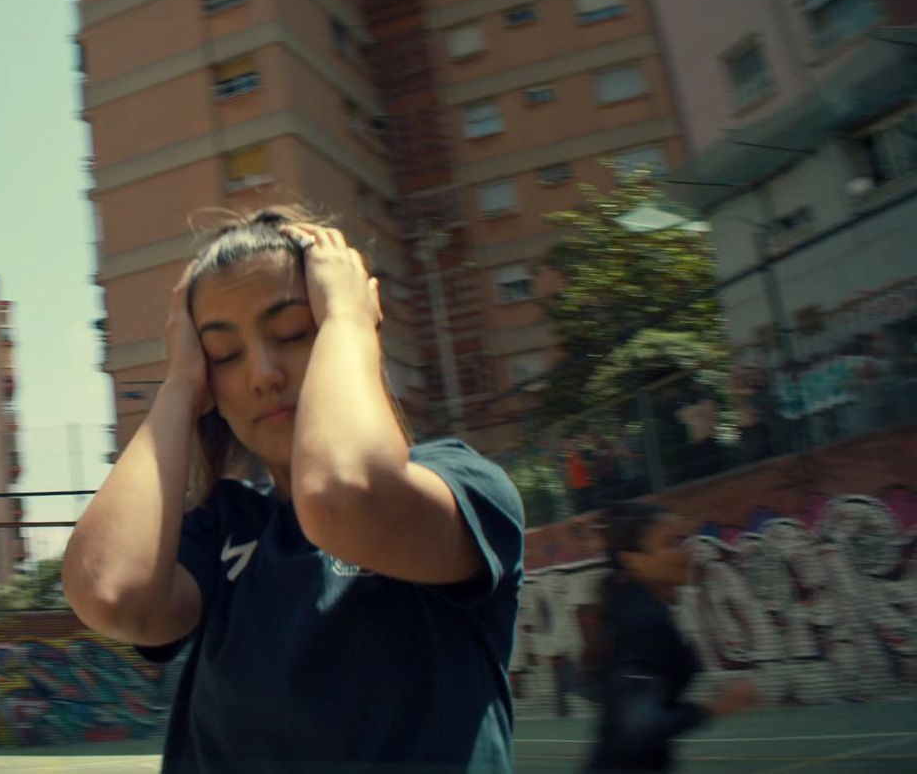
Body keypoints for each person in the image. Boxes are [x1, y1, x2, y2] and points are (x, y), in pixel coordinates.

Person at [63, 206, 525, 774]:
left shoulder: (465, 488)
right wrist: (180, 385)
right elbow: (111, 592)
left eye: (292, 332)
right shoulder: (223, 528)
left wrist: (351, 320)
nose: (262, 373)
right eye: (224, 354)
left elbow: (345, 493)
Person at [582, 502, 759, 772]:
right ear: (633, 559)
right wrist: (715, 707)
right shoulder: (643, 620)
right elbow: (639, 727)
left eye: (683, 539)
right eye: (670, 543)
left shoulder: (633, 607)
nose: (686, 551)